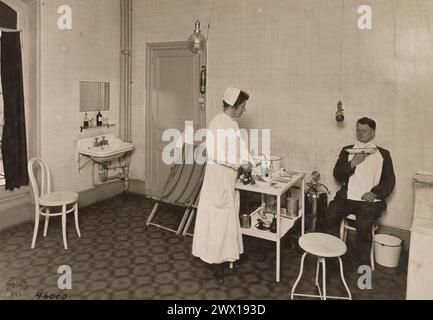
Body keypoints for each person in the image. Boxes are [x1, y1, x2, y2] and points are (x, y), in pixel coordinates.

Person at [192, 87, 252, 285]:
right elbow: (216, 154)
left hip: (228, 177)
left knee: (227, 216)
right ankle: (215, 263)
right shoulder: (217, 123)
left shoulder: (232, 124)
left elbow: (239, 149)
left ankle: (227, 256)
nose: (244, 110)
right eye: (243, 106)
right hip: (218, 177)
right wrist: (239, 164)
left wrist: (250, 161)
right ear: (234, 106)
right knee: (218, 219)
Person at [326, 117, 396, 266]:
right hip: (347, 197)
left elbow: (389, 181)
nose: (360, 133)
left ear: (373, 132)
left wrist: (375, 193)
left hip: (369, 201)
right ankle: (332, 259)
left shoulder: (383, 154)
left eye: (364, 131)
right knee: (330, 214)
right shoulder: (347, 151)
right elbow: (337, 175)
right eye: (358, 130)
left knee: (364, 225)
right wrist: (352, 163)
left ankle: (363, 271)